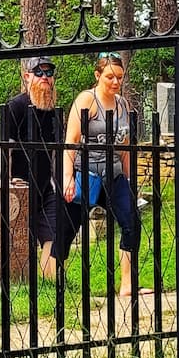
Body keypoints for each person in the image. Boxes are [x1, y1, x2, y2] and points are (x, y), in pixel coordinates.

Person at [57, 54, 141, 297]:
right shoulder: (87, 100)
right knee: (68, 227)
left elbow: (124, 146)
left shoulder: (123, 105)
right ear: (97, 76)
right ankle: (53, 278)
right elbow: (71, 141)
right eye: (109, 77)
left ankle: (127, 284)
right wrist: (68, 178)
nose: (115, 82)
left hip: (113, 175)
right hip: (87, 172)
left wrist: (129, 178)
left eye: (119, 77)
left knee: (131, 222)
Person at [0, 56, 61, 278]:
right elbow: (5, 148)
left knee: (53, 232)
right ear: (27, 76)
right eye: (39, 73)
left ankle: (48, 282)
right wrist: (8, 179)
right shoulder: (15, 107)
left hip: (47, 185)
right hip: (20, 184)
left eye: (49, 73)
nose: (45, 77)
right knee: (19, 239)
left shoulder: (54, 111)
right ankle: (17, 280)